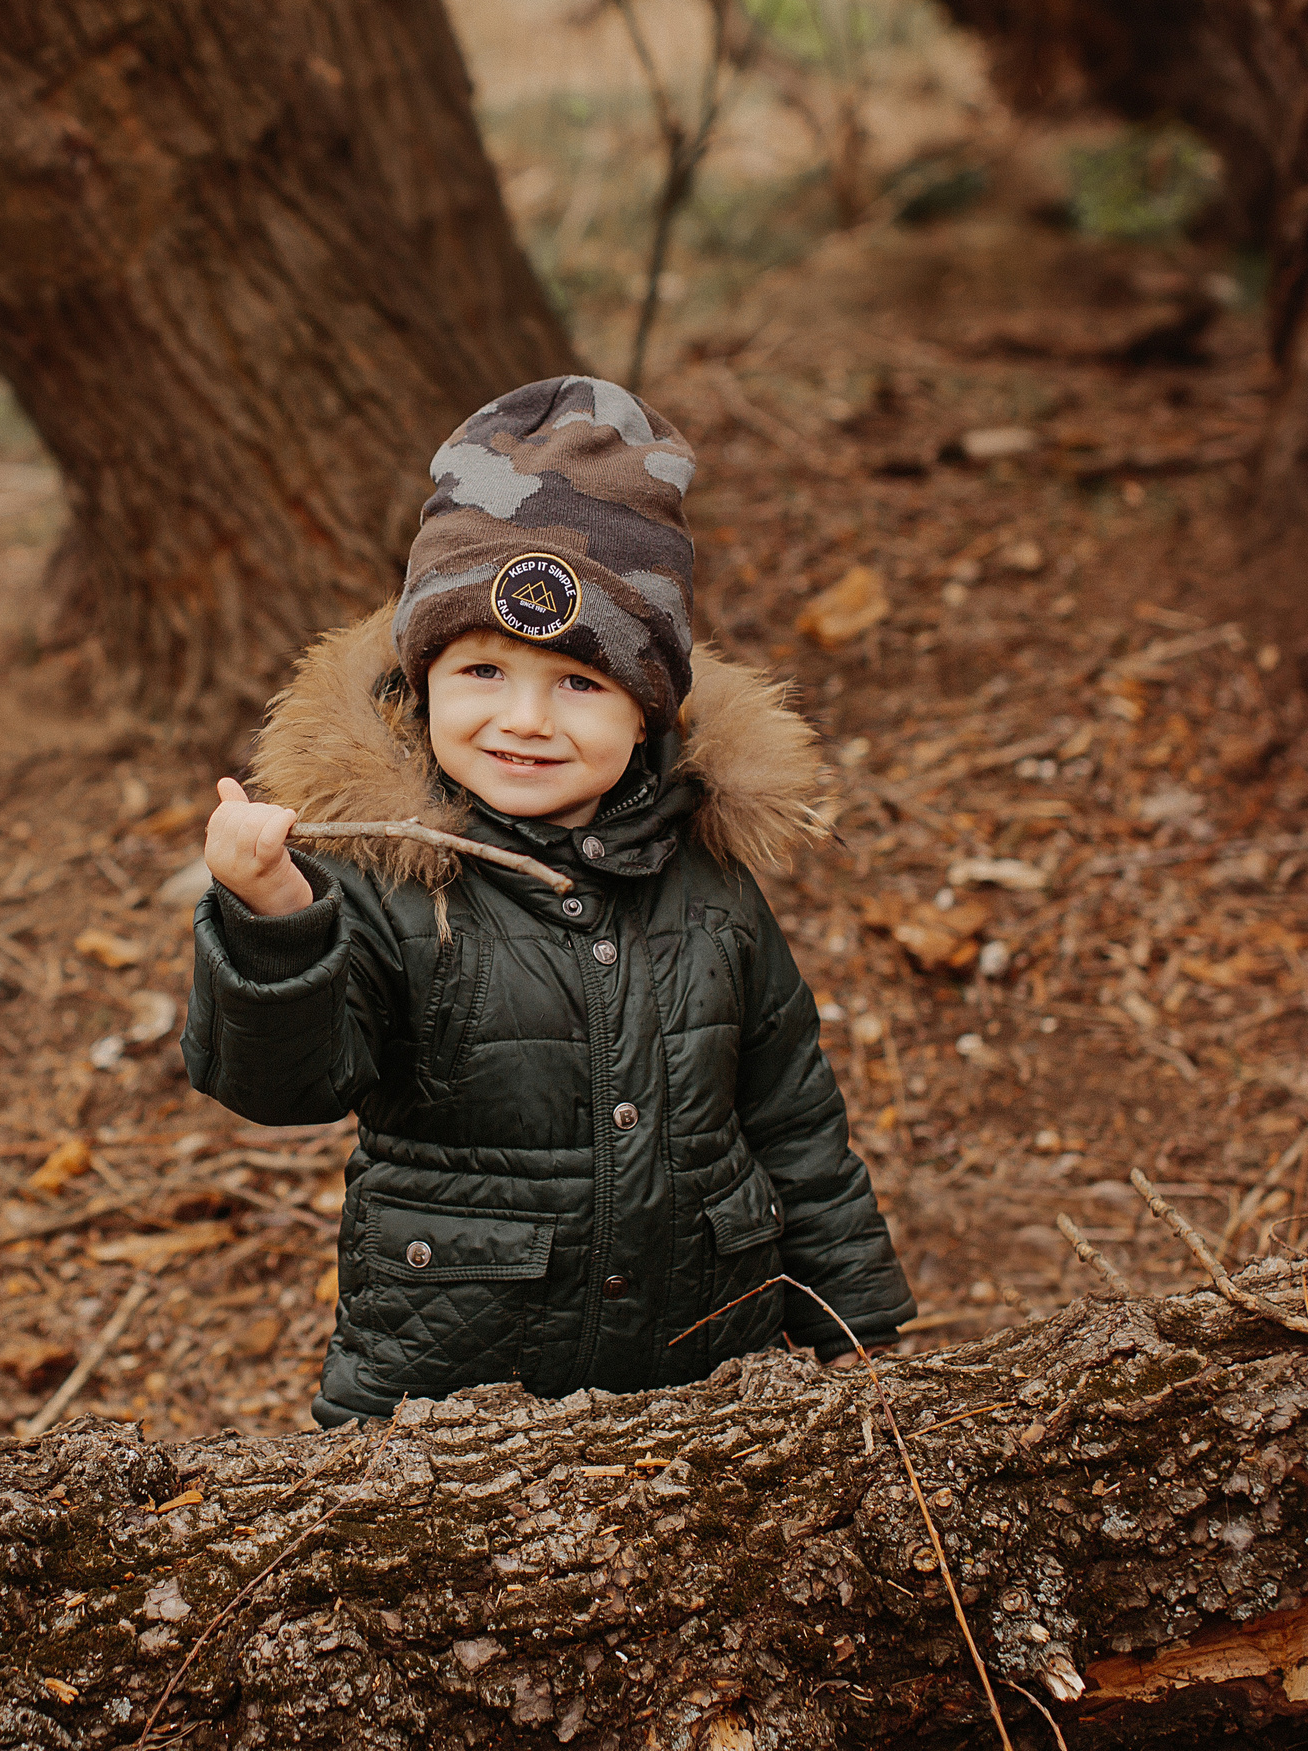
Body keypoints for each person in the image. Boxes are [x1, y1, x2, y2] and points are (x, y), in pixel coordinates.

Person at [183, 374, 913, 1427]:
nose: (523, 720)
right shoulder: (390, 884)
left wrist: (857, 1322)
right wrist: (271, 920)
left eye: (579, 683)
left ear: (649, 706)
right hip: (445, 1393)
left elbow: (792, 1114)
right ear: (421, 680)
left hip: (709, 1376)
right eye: (482, 669)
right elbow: (287, 1084)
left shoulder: (711, 884)